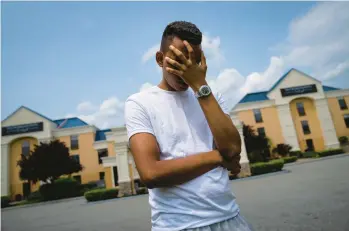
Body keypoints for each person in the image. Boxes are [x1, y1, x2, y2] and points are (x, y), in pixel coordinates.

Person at [125, 21, 254, 231]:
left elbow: (232, 147)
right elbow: (151, 173)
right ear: (160, 59)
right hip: (178, 226)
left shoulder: (210, 97)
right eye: (178, 60)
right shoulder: (139, 103)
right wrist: (218, 157)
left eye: (192, 61)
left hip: (231, 218)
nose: (186, 69)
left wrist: (200, 86)